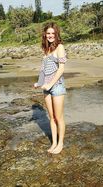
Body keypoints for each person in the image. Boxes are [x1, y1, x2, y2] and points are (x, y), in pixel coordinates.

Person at [34, 22, 67, 154]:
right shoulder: (46, 49)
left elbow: (61, 70)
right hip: (46, 87)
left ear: (56, 34)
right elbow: (43, 70)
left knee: (59, 118)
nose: (50, 35)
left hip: (57, 87)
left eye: (53, 33)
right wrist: (39, 83)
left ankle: (60, 144)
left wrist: (50, 84)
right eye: (48, 33)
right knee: (51, 117)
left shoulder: (60, 47)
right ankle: (53, 143)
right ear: (45, 34)